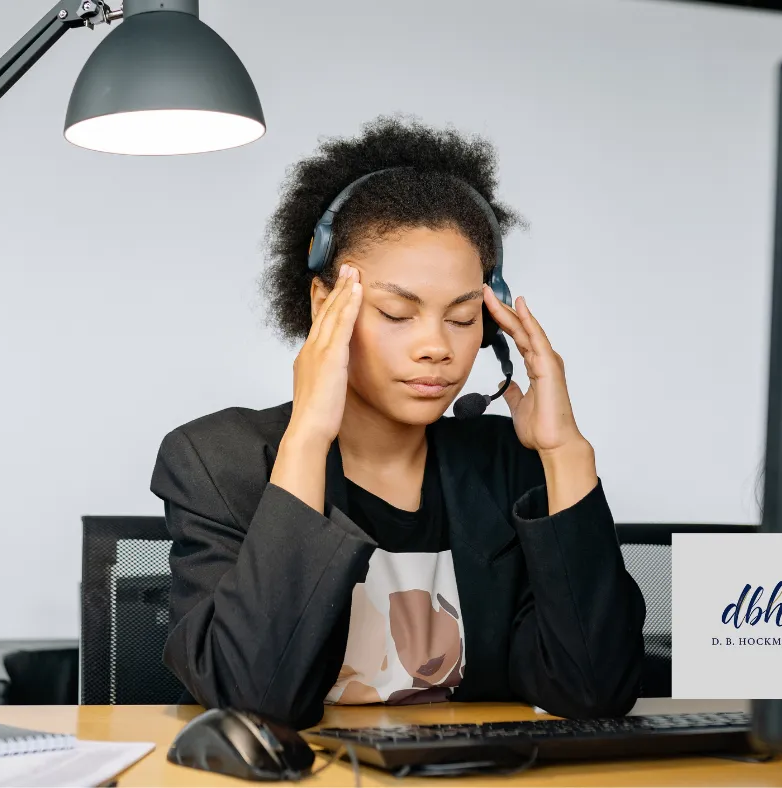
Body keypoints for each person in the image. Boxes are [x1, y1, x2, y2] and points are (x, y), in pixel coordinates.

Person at [150, 115, 646, 731]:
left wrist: (565, 450)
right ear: (324, 305)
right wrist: (308, 435)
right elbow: (254, 702)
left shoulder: (507, 464)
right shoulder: (219, 461)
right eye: (396, 313)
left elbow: (595, 690)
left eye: (463, 319)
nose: (436, 347)